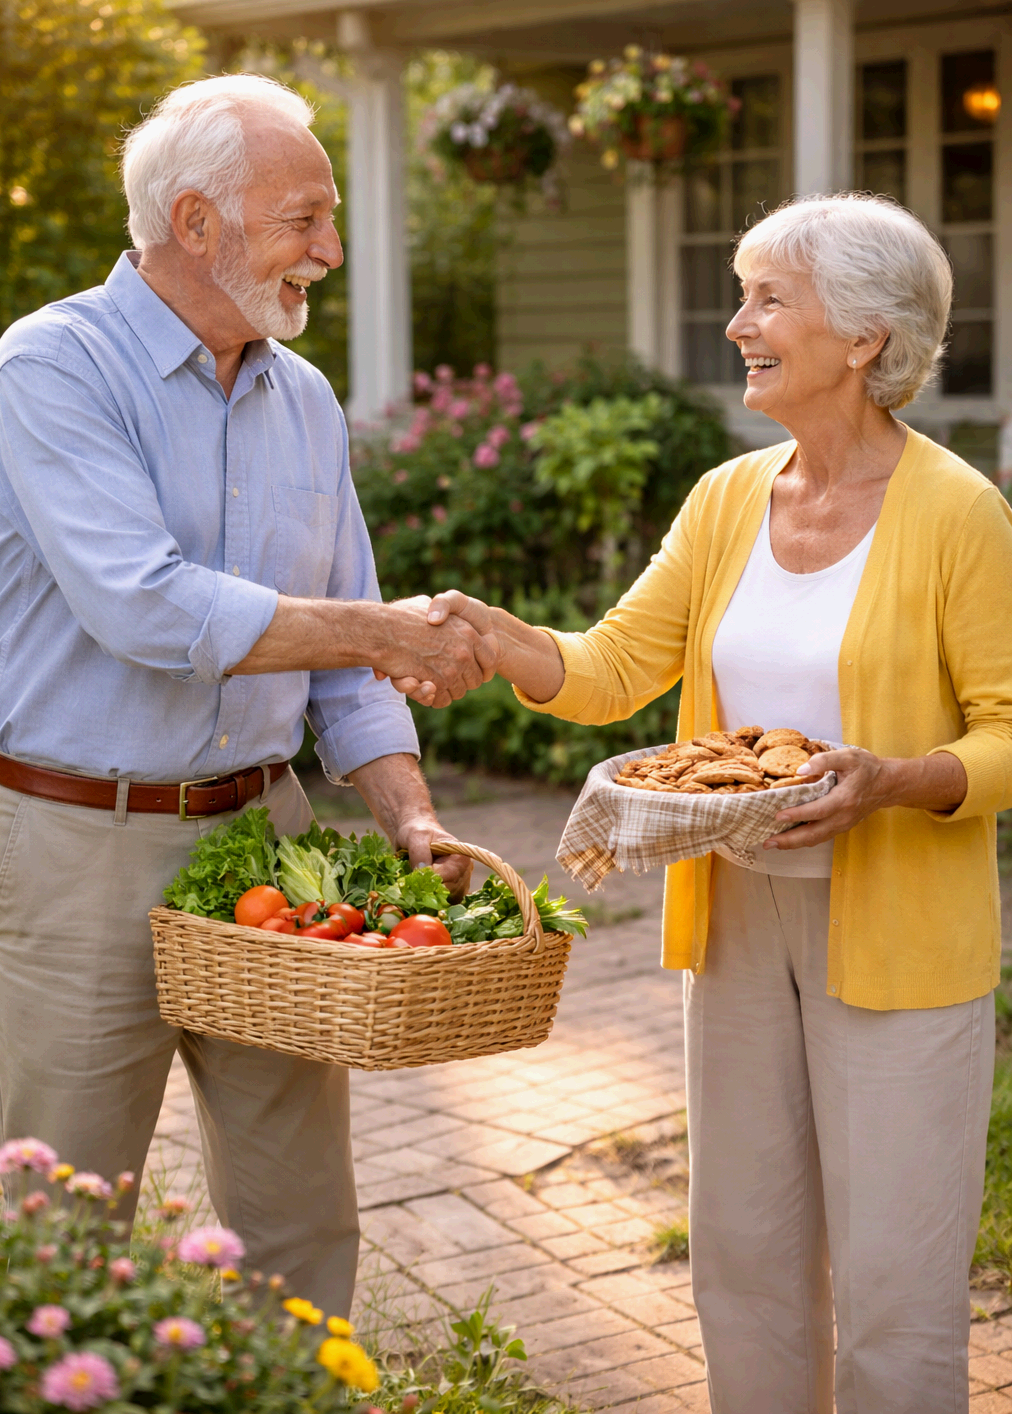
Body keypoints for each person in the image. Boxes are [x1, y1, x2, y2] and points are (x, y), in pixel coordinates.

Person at [399, 194, 1012, 1413]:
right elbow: (617, 664)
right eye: (742, 294)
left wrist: (888, 779)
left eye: (768, 298)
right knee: (742, 1255)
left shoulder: (959, 514)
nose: (737, 323)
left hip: (895, 938)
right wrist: (495, 636)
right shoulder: (729, 497)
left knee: (894, 1285)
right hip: (734, 932)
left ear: (865, 340)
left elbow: (1005, 728)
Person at [0, 74, 494, 1313]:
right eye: (303, 217)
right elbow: (146, 607)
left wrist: (407, 814)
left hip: (268, 842)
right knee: (67, 1228)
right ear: (196, 221)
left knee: (299, 1215)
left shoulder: (303, 395)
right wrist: (383, 629)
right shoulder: (52, 365)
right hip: (75, 845)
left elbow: (343, 655)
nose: (330, 248)